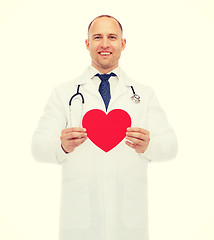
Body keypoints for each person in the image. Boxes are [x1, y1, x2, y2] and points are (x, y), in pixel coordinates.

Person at [31, 15, 178, 240]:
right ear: (87, 44)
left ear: (123, 43)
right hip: (80, 221)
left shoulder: (143, 94)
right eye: (97, 37)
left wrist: (149, 146)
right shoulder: (64, 93)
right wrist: (61, 146)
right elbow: (38, 147)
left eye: (112, 37)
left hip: (129, 221)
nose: (105, 44)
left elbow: (170, 146)